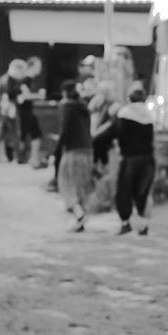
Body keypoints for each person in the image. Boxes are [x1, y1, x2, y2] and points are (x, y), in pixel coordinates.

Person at [102, 82, 157, 235]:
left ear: (129, 98)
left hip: (129, 159)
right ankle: (143, 225)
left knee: (124, 191)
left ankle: (125, 223)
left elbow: (112, 134)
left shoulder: (125, 114)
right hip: (147, 159)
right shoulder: (149, 116)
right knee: (143, 192)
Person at [56, 78, 97, 231]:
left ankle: (80, 215)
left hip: (73, 150)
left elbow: (64, 131)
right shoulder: (84, 107)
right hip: (88, 150)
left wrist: (57, 151)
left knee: (66, 184)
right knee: (81, 185)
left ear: (64, 92)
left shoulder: (66, 107)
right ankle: (80, 220)